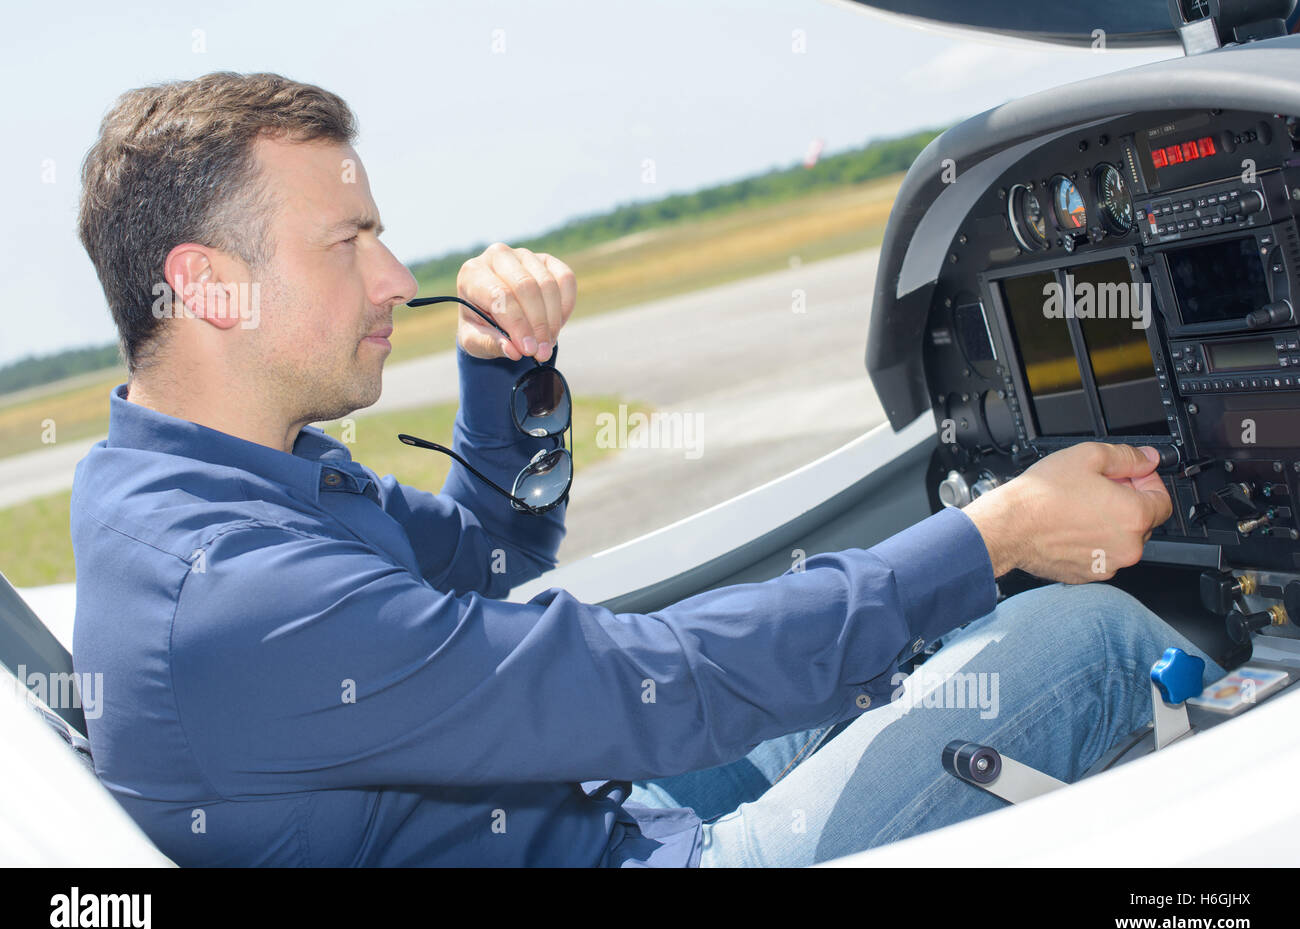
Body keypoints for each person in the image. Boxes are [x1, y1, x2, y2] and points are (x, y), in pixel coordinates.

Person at [69, 72, 1221, 867]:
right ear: (209, 284)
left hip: (581, 818)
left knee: (912, 637)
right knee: (1093, 636)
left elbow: (488, 557)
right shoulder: (236, 594)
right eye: (346, 241)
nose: (393, 277)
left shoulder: (212, 479)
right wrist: (997, 535)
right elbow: (644, 687)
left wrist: (504, 371)